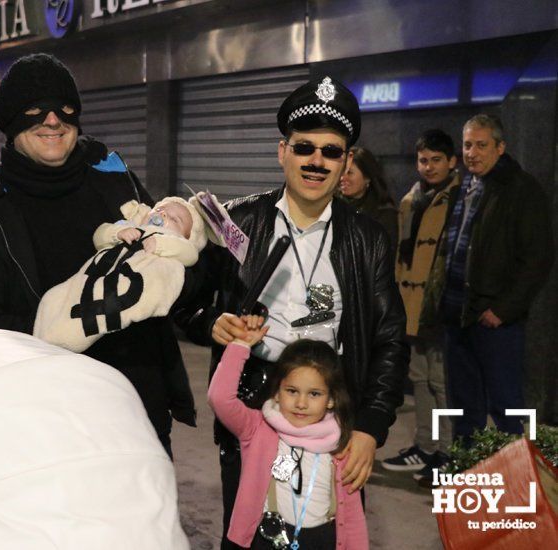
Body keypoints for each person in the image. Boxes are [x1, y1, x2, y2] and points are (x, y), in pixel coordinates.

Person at [176, 75, 407, 549]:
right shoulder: (238, 222)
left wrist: (370, 427)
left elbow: (389, 339)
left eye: (331, 151)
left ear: (345, 164)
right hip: (255, 402)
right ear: (282, 151)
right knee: (249, 534)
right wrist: (210, 323)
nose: (316, 161)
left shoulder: (367, 239)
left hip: (334, 405)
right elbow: (181, 299)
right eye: (304, 147)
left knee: (329, 531)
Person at [0, 53, 195, 453]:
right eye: (33, 110)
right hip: (45, 417)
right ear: (10, 122)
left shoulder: (111, 175)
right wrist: (62, 325)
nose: (52, 120)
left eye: (64, 109)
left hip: (136, 405)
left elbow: (167, 259)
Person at [440, 114, 553, 444]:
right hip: (458, 315)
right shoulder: (464, 186)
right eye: (467, 145)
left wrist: (503, 309)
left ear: (500, 147)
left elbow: (538, 259)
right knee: (464, 406)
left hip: (496, 321)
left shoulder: (522, 190)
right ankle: (467, 477)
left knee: (506, 408)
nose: (472, 153)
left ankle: (512, 484)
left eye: (481, 145)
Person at [208, 326, 368, 550]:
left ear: (331, 399)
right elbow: (220, 399)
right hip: (267, 537)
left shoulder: (341, 444)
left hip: (322, 540)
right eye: (292, 391)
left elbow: (353, 518)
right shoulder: (258, 429)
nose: (301, 403)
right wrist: (240, 346)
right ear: (277, 392)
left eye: (314, 394)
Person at [35, 196, 212, 353]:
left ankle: (68, 337)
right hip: (97, 275)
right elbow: (100, 235)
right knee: (52, 298)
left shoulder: (176, 242)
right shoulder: (130, 227)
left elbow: (190, 254)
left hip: (125, 283)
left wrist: (160, 244)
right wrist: (117, 233)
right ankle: (43, 340)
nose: (163, 216)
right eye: (160, 210)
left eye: (175, 219)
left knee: (99, 307)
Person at [383, 129, 460, 481]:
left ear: (451, 162)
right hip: (412, 306)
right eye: (423, 160)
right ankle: (426, 448)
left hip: (439, 306)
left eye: (436, 160)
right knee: (419, 378)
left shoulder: (459, 197)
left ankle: (447, 452)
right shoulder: (412, 199)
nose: (428, 167)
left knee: (441, 382)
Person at [338, 146, 398, 250]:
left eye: (349, 173)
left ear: (367, 177)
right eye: (341, 172)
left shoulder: (384, 214)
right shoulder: (330, 208)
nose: (343, 178)